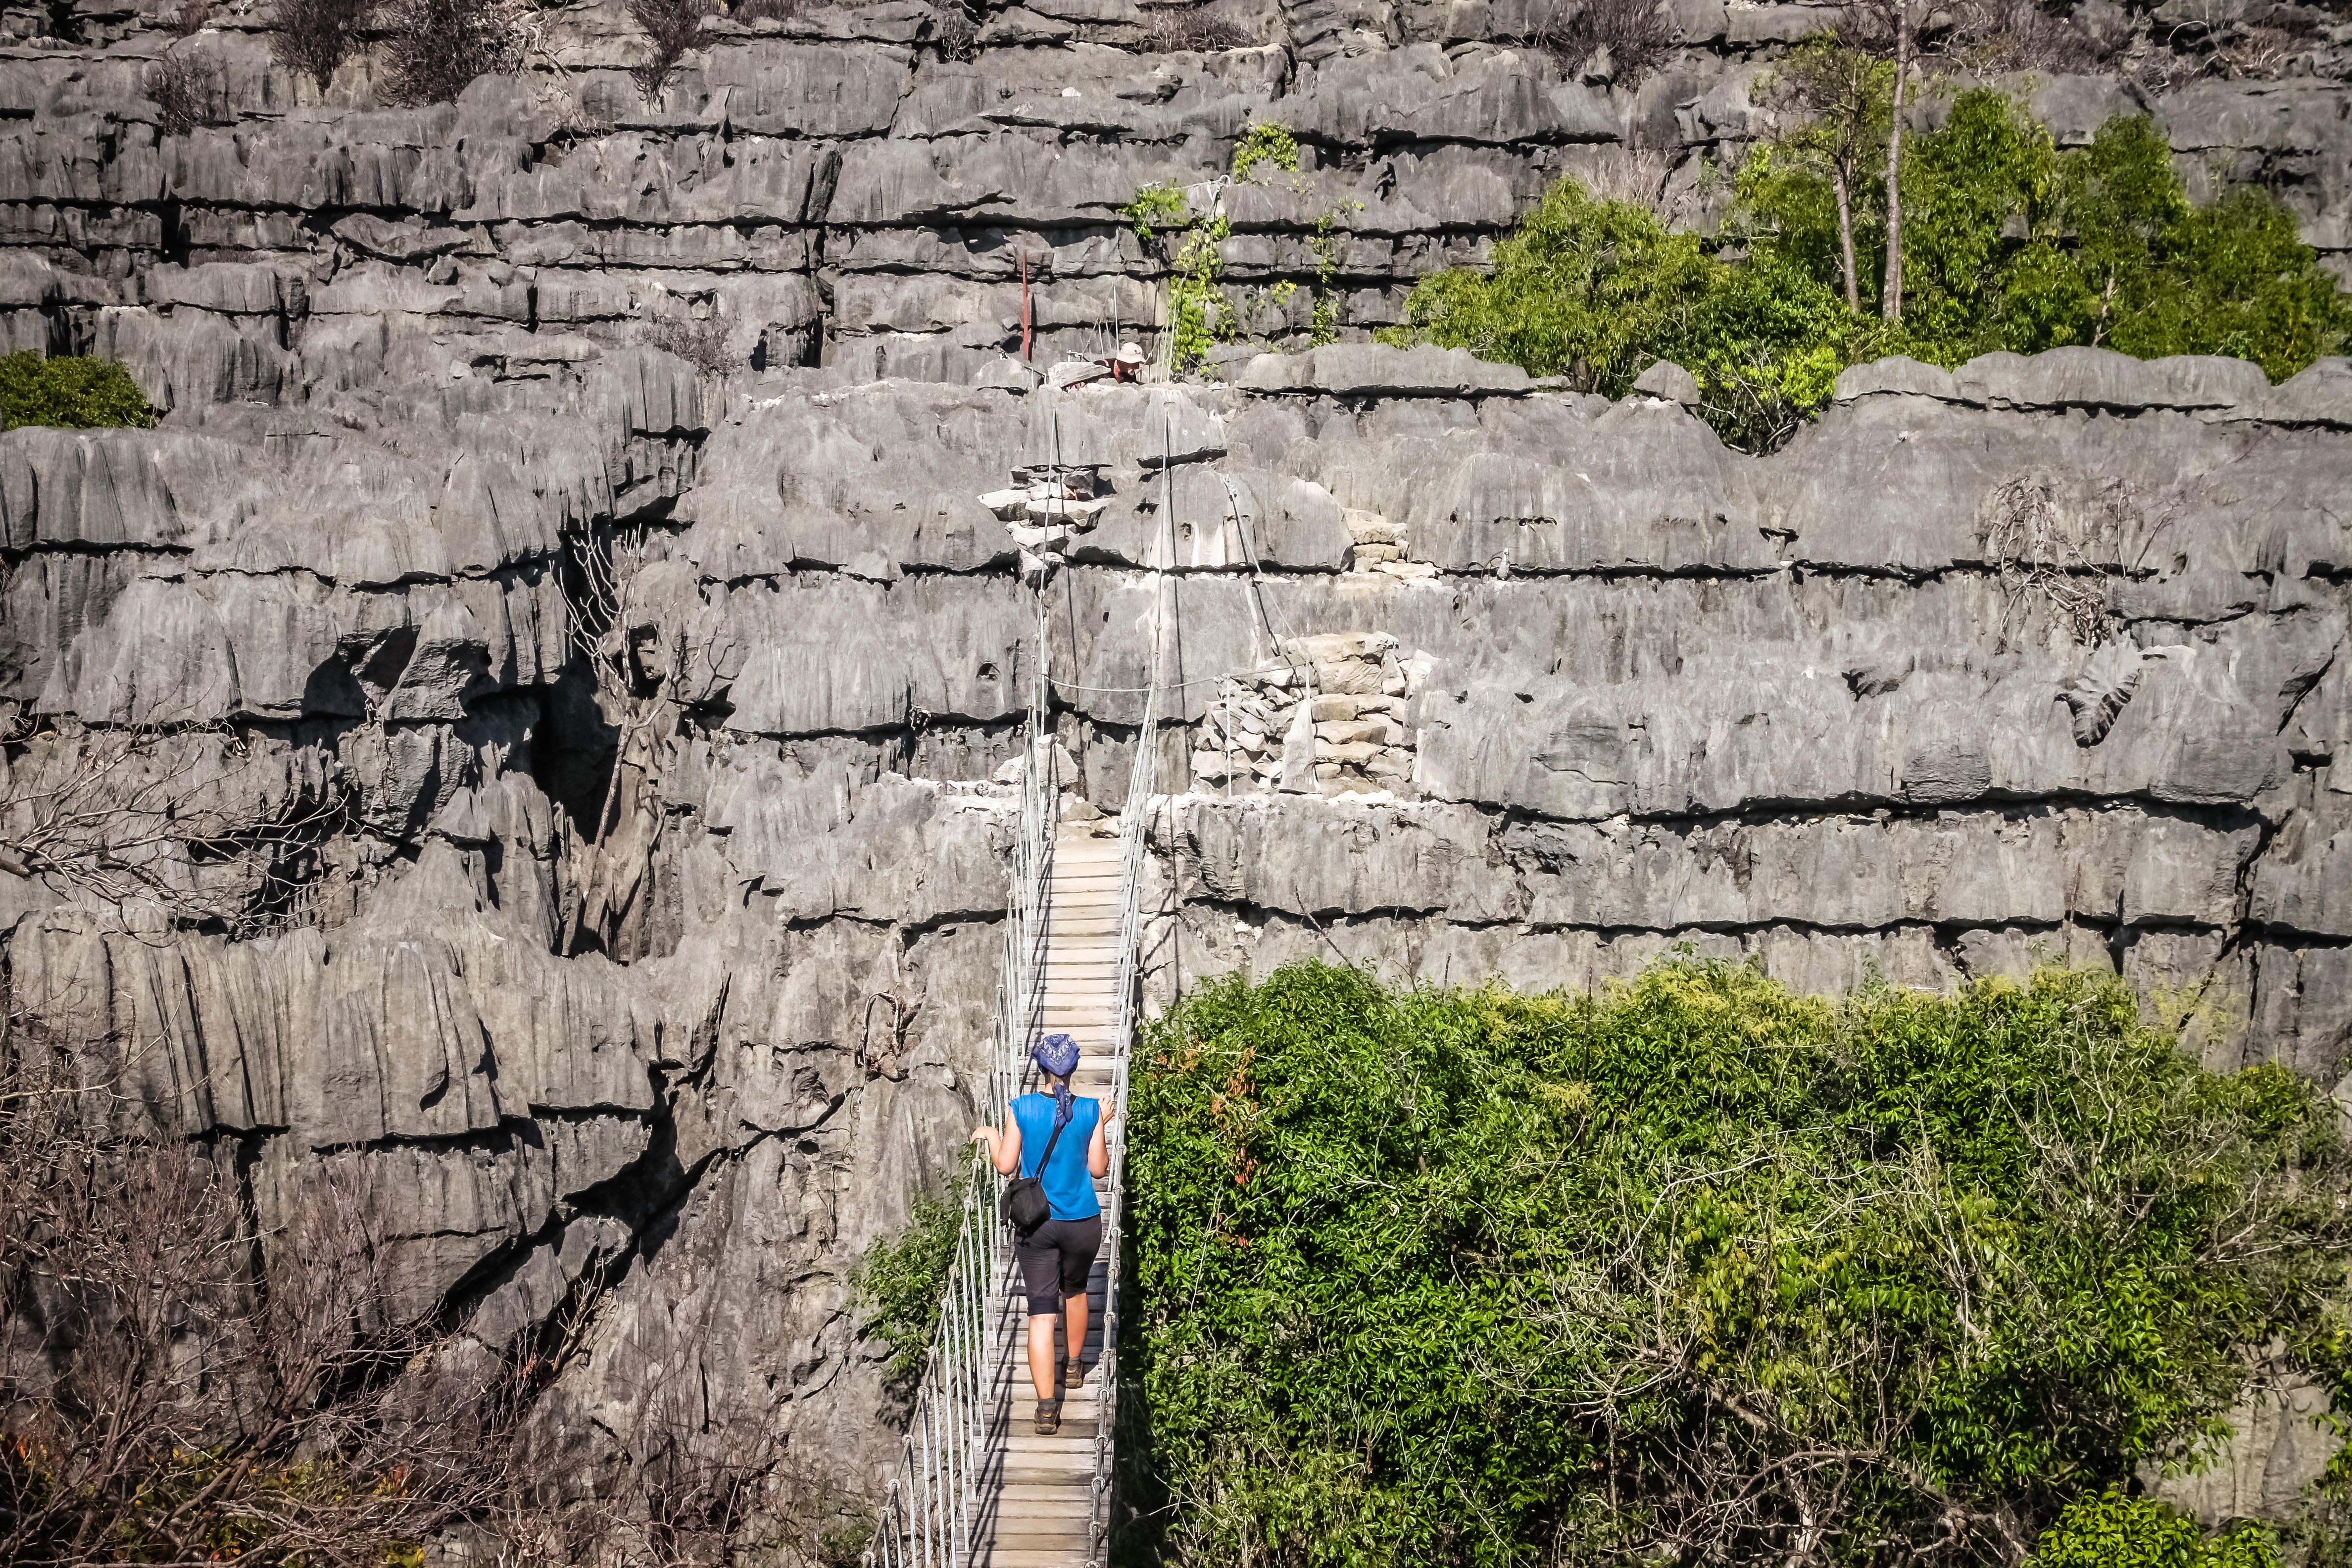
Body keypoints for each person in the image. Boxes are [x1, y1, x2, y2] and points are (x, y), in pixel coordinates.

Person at [972, 1031, 1110, 1434]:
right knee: (1078, 1291)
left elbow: (1005, 1165)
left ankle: (1047, 1407)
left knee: (1041, 1318)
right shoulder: (1089, 1111)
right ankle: (1073, 1367)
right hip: (1083, 1223)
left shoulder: (1022, 1107)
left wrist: (992, 1135)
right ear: (1074, 1069)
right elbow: (1099, 1169)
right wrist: (1101, 1121)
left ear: (1041, 1069)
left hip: (1038, 1226)